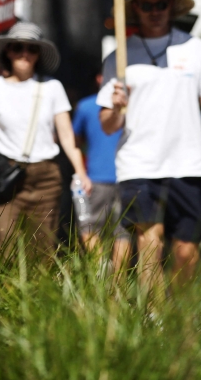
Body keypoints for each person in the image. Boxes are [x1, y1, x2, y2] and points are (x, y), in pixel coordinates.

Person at [98, 0, 201, 290]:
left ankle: (179, 313)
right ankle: (155, 320)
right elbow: (107, 124)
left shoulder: (196, 49)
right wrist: (116, 107)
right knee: (150, 245)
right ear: (135, 9)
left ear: (171, 7)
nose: (154, 11)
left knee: (186, 251)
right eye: (145, 5)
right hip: (138, 165)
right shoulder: (118, 59)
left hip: (188, 164)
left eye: (160, 4)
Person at [0, 22, 92, 259]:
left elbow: (67, 137)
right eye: (18, 47)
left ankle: (37, 296)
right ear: (8, 51)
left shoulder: (52, 87)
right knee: (4, 247)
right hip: (4, 174)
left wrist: (81, 172)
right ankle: (5, 296)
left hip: (45, 176)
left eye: (31, 49)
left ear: (39, 54)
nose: (24, 53)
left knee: (42, 250)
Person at [73, 69, 129, 270]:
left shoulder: (86, 106)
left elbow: (75, 141)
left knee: (90, 228)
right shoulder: (131, 105)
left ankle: (101, 276)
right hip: (113, 176)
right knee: (123, 231)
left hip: (100, 177)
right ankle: (116, 285)